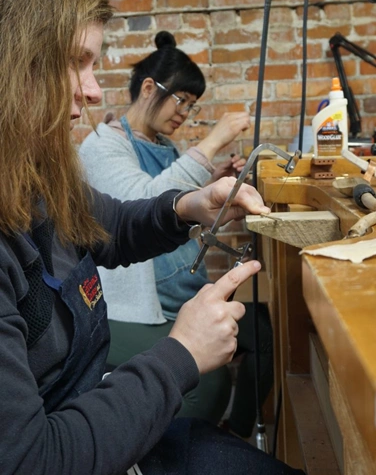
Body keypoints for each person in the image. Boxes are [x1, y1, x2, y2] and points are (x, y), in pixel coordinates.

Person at [0, 0, 307, 474]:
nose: (94, 90)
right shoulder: (97, 147)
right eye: (76, 62)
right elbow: (31, 459)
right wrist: (181, 354)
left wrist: (189, 206)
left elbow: (106, 224)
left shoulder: (31, 175)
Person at [79, 31, 274, 435]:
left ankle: (232, 439)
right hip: (131, 308)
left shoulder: (164, 145)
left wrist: (213, 193)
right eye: (181, 100)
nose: (185, 112)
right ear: (149, 88)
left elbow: (172, 211)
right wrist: (215, 140)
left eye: (192, 105)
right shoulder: (102, 145)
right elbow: (143, 199)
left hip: (178, 288)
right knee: (208, 382)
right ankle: (160, 453)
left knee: (264, 330)